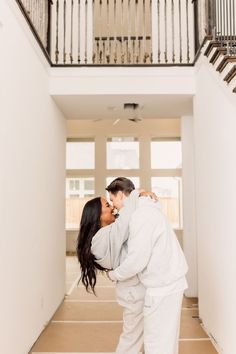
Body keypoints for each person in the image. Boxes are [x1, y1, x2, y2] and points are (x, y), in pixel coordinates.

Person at [106, 177, 188, 354]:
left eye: (112, 200)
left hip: (163, 286)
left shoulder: (141, 216)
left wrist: (114, 274)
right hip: (169, 282)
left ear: (120, 194)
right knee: (165, 340)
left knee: (156, 344)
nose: (113, 206)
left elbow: (136, 260)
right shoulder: (148, 207)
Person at [77, 182, 155, 353]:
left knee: (136, 336)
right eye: (107, 204)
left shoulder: (107, 233)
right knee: (131, 338)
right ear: (98, 215)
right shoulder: (98, 240)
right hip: (132, 293)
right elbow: (124, 223)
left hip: (134, 290)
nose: (112, 206)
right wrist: (136, 194)